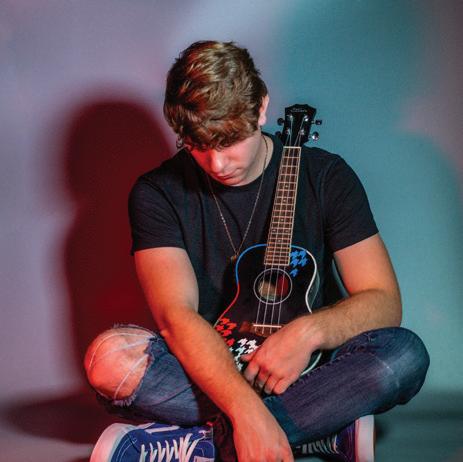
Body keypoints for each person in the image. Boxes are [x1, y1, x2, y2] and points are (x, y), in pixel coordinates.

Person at [84, 40, 430, 462]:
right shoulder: (157, 193)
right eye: (197, 144)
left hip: (310, 372)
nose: (217, 163)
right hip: (211, 372)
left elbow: (384, 302)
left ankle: (203, 442)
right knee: (109, 360)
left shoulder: (327, 176)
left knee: (403, 356)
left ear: (261, 107)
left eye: (229, 140)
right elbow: (176, 317)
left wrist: (307, 334)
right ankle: (313, 430)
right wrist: (245, 411)